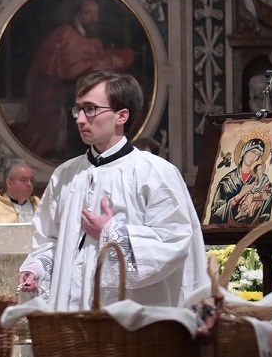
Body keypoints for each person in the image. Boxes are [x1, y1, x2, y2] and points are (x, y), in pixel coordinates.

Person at [17, 72, 208, 312]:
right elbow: (49, 240)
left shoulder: (155, 173)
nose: (80, 120)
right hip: (72, 314)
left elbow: (175, 240)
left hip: (134, 316)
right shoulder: (65, 176)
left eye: (91, 109)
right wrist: (37, 268)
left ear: (122, 115)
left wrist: (111, 233)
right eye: (78, 110)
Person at [16, 0, 136, 160]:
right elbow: (70, 69)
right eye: (88, 14)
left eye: (96, 14)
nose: (93, 19)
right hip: (54, 92)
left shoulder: (91, 39)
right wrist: (99, 64)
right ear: (78, 15)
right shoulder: (66, 34)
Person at [208, 138, 272, 225]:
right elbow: (215, 216)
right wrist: (240, 195)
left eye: (258, 154)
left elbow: (266, 210)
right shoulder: (227, 182)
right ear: (244, 151)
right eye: (252, 152)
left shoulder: (260, 179)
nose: (254, 157)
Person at [0, 159, 39, 224]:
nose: (29, 184)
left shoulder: (40, 206)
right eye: (23, 180)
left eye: (31, 180)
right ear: (9, 183)